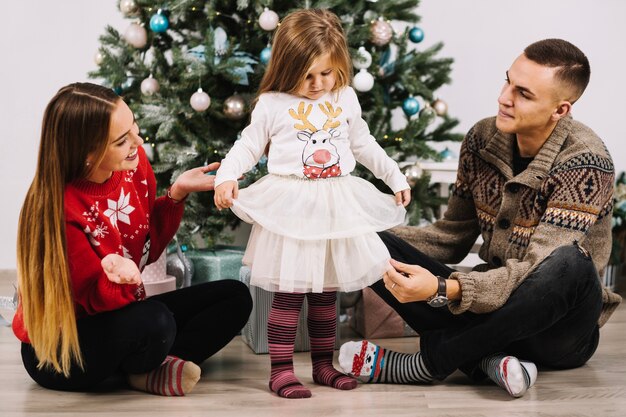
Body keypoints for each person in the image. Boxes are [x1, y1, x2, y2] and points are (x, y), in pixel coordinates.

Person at [338, 38, 623, 398]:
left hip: (556, 332)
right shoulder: (481, 139)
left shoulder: (585, 161)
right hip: (489, 308)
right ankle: (490, 359)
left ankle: (427, 365)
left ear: (560, 110)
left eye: (523, 93)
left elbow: (537, 270)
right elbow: (451, 236)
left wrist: (445, 289)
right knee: (366, 239)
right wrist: (364, 235)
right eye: (507, 81)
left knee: (569, 263)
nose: (504, 97)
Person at [214, 9, 411, 399]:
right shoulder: (272, 103)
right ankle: (282, 369)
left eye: (326, 73)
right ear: (288, 67)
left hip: (336, 204)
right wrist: (227, 176)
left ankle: (324, 364)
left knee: (327, 293)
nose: (318, 83)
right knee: (289, 294)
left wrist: (395, 176)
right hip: (293, 207)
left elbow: (362, 144)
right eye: (307, 75)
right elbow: (250, 144)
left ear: (339, 68)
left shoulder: (346, 98)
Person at [12, 82, 253, 396]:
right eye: (122, 140)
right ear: (87, 153)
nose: (138, 142)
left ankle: (146, 369)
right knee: (155, 322)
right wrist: (122, 278)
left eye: (135, 128)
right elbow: (95, 301)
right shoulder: (61, 210)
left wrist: (176, 194)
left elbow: (146, 247)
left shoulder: (133, 169)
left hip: (121, 315)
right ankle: (146, 367)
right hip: (61, 350)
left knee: (234, 296)